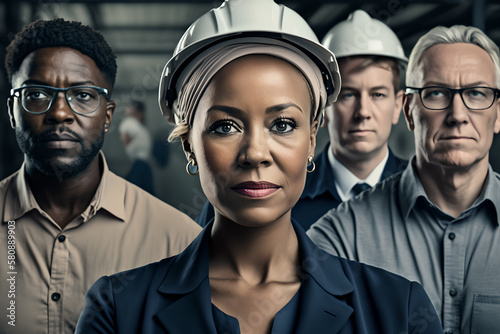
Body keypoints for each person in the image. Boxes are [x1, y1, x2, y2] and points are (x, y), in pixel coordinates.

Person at [76, 1, 442, 333]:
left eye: (282, 124)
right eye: (225, 126)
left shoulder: (400, 312)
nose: (255, 153)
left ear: (312, 138)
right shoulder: (116, 311)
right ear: (189, 144)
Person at [0, 19, 201, 334]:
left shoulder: (180, 243)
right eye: (37, 93)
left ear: (108, 116)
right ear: (12, 110)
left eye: (82, 95)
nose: (60, 112)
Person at [308, 25, 500, 334]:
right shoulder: (338, 238)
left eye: (477, 93)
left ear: (499, 113)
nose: (458, 114)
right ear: (409, 110)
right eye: (436, 93)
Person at [195, 10, 409, 230]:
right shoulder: (257, 194)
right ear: (323, 107)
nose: (363, 112)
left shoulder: (426, 191)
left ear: (397, 106)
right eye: (348, 95)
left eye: (378, 95)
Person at [119, 100, 155, 195]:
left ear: (140, 115)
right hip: (142, 166)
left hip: (140, 166)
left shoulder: (130, 125)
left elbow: (124, 136)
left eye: (132, 114)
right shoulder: (143, 131)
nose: (130, 118)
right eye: (129, 115)